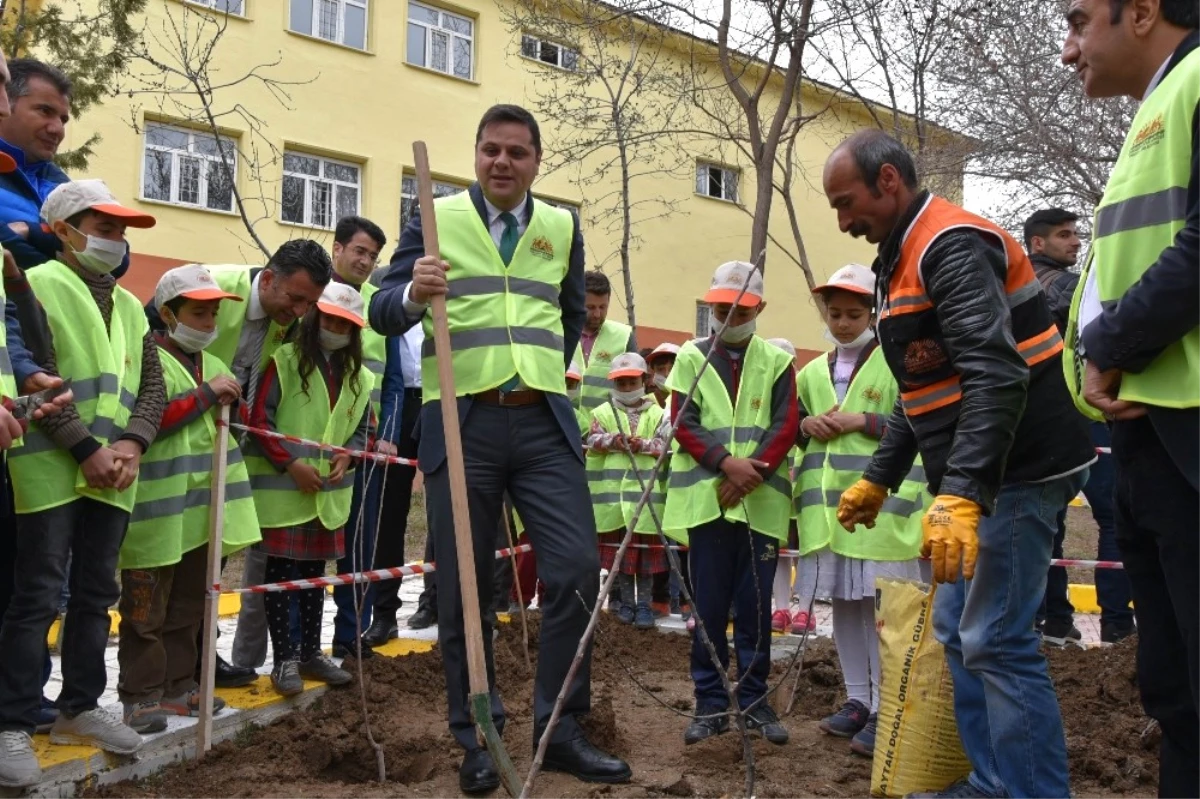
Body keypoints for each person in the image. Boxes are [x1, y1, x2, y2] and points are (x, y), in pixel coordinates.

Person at [824, 130, 1094, 799]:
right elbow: (927, 391)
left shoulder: (950, 244)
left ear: (888, 181)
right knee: (957, 628)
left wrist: (964, 492)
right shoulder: (902, 255)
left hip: (1022, 466)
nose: (843, 220)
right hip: (993, 470)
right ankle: (995, 778)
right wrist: (879, 477)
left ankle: (1029, 790)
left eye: (847, 201)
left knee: (995, 636)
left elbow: (997, 374)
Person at [369, 104, 630, 793]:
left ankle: (562, 725)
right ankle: (478, 734)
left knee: (575, 569)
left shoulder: (560, 226)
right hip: (463, 421)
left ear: (537, 160)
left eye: (517, 151)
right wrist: (412, 296)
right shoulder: (434, 214)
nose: (502, 162)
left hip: (543, 421)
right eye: (491, 150)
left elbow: (572, 313)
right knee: (463, 588)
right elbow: (380, 304)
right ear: (476, 155)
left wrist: (544, 366)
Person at [1061, 2, 1200, 794]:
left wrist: (1110, 348)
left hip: (1187, 437)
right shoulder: (1156, 109)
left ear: (1142, 12)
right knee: (1174, 692)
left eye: (1079, 20)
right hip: (1152, 443)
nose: (1067, 49)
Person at [0, 180, 165, 788]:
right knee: (37, 594)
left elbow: (151, 386)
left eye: (120, 231)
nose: (115, 241)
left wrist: (130, 443)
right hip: (50, 464)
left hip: (114, 471)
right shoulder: (36, 287)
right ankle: (12, 720)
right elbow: (37, 374)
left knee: (97, 594)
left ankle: (78, 708)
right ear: (65, 230)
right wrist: (87, 446)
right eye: (104, 227)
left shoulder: (128, 305)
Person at [116, 265, 261, 733]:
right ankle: (139, 697)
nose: (209, 323)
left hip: (200, 515)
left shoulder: (214, 365)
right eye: (199, 313)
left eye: (214, 313)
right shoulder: (145, 360)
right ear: (167, 313)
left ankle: (180, 686)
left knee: (187, 608)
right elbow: (146, 422)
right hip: (153, 516)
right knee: (144, 611)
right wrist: (204, 396)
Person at [792, 264, 927, 758]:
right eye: (835, 314)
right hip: (829, 514)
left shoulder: (897, 362)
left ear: (873, 312)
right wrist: (807, 424)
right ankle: (858, 700)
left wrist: (862, 420)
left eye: (853, 313)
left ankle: (888, 707)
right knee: (846, 607)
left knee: (886, 612)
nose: (843, 323)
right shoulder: (809, 372)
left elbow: (914, 419)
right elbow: (796, 431)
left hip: (883, 512)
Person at [662, 260, 798, 748]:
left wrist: (748, 474)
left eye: (740, 310)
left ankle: (757, 702)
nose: (729, 318)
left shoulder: (779, 362)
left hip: (758, 506)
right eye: (721, 309)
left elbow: (785, 426)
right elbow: (682, 419)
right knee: (709, 608)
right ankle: (711, 703)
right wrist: (726, 464)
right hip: (707, 505)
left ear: (759, 308)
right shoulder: (688, 358)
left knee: (756, 608)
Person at [244, 283, 372, 697]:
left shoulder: (360, 376)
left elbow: (364, 429)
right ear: (316, 317)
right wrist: (290, 463)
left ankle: (310, 654)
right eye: (330, 319)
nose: (335, 328)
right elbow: (259, 422)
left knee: (315, 577)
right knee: (283, 578)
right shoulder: (285, 360)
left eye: (345, 324)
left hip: (328, 497)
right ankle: (284, 660)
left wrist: (349, 456)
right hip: (286, 492)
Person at [1024, 207, 1133, 645]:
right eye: (1064, 235)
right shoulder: (1064, 285)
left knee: (1050, 521)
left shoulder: (1012, 285)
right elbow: (1109, 320)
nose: (1075, 242)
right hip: (1083, 415)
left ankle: (1056, 620)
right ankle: (1117, 626)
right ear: (1038, 243)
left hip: (1042, 420)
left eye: (1076, 234)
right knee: (1113, 515)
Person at [322, 215, 392, 660]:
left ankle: (351, 636)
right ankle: (286, 650)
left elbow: (394, 380)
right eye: (360, 251)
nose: (365, 261)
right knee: (291, 559)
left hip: (362, 441)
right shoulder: (311, 291)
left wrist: (379, 436)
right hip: (302, 448)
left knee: (360, 546)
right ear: (338, 248)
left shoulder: (379, 306)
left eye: (373, 256)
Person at [586, 352, 671, 630]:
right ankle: (623, 602)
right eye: (620, 383)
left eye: (630, 382)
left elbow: (666, 446)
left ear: (644, 380)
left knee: (644, 558)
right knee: (620, 556)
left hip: (644, 499)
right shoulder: (601, 412)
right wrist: (614, 440)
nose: (625, 388)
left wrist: (642, 445)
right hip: (612, 502)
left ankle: (644, 604)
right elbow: (593, 439)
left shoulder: (658, 413)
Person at [763, 336, 809, 637]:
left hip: (805, 482)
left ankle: (804, 608)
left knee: (805, 549)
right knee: (779, 550)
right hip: (777, 488)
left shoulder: (804, 394)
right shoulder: (763, 398)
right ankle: (781, 606)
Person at [574, 270, 636, 413]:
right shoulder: (561, 332)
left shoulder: (624, 336)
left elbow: (635, 387)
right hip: (565, 425)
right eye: (590, 307)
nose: (597, 314)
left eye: (603, 307)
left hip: (607, 429)